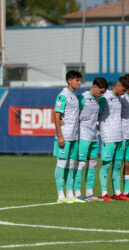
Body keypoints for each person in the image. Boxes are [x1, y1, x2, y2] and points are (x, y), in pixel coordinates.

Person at [73, 77, 108, 202]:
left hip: (94, 135)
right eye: (101, 91)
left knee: (92, 164)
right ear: (94, 87)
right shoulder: (82, 98)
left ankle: (89, 193)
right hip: (83, 135)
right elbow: (74, 117)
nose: (102, 94)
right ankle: (77, 193)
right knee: (81, 163)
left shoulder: (100, 101)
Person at [53, 70, 84, 204]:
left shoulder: (75, 96)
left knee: (71, 165)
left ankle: (70, 194)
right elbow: (57, 115)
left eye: (79, 80)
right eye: (77, 80)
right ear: (70, 81)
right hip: (64, 136)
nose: (79, 83)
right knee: (62, 164)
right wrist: (60, 135)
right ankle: (60, 196)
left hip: (74, 136)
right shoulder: (62, 95)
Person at [98, 76, 129, 201]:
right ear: (117, 85)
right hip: (108, 137)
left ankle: (117, 193)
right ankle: (104, 193)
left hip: (119, 137)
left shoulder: (119, 99)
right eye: (123, 89)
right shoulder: (104, 97)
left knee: (117, 166)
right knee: (106, 165)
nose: (124, 92)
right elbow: (96, 114)